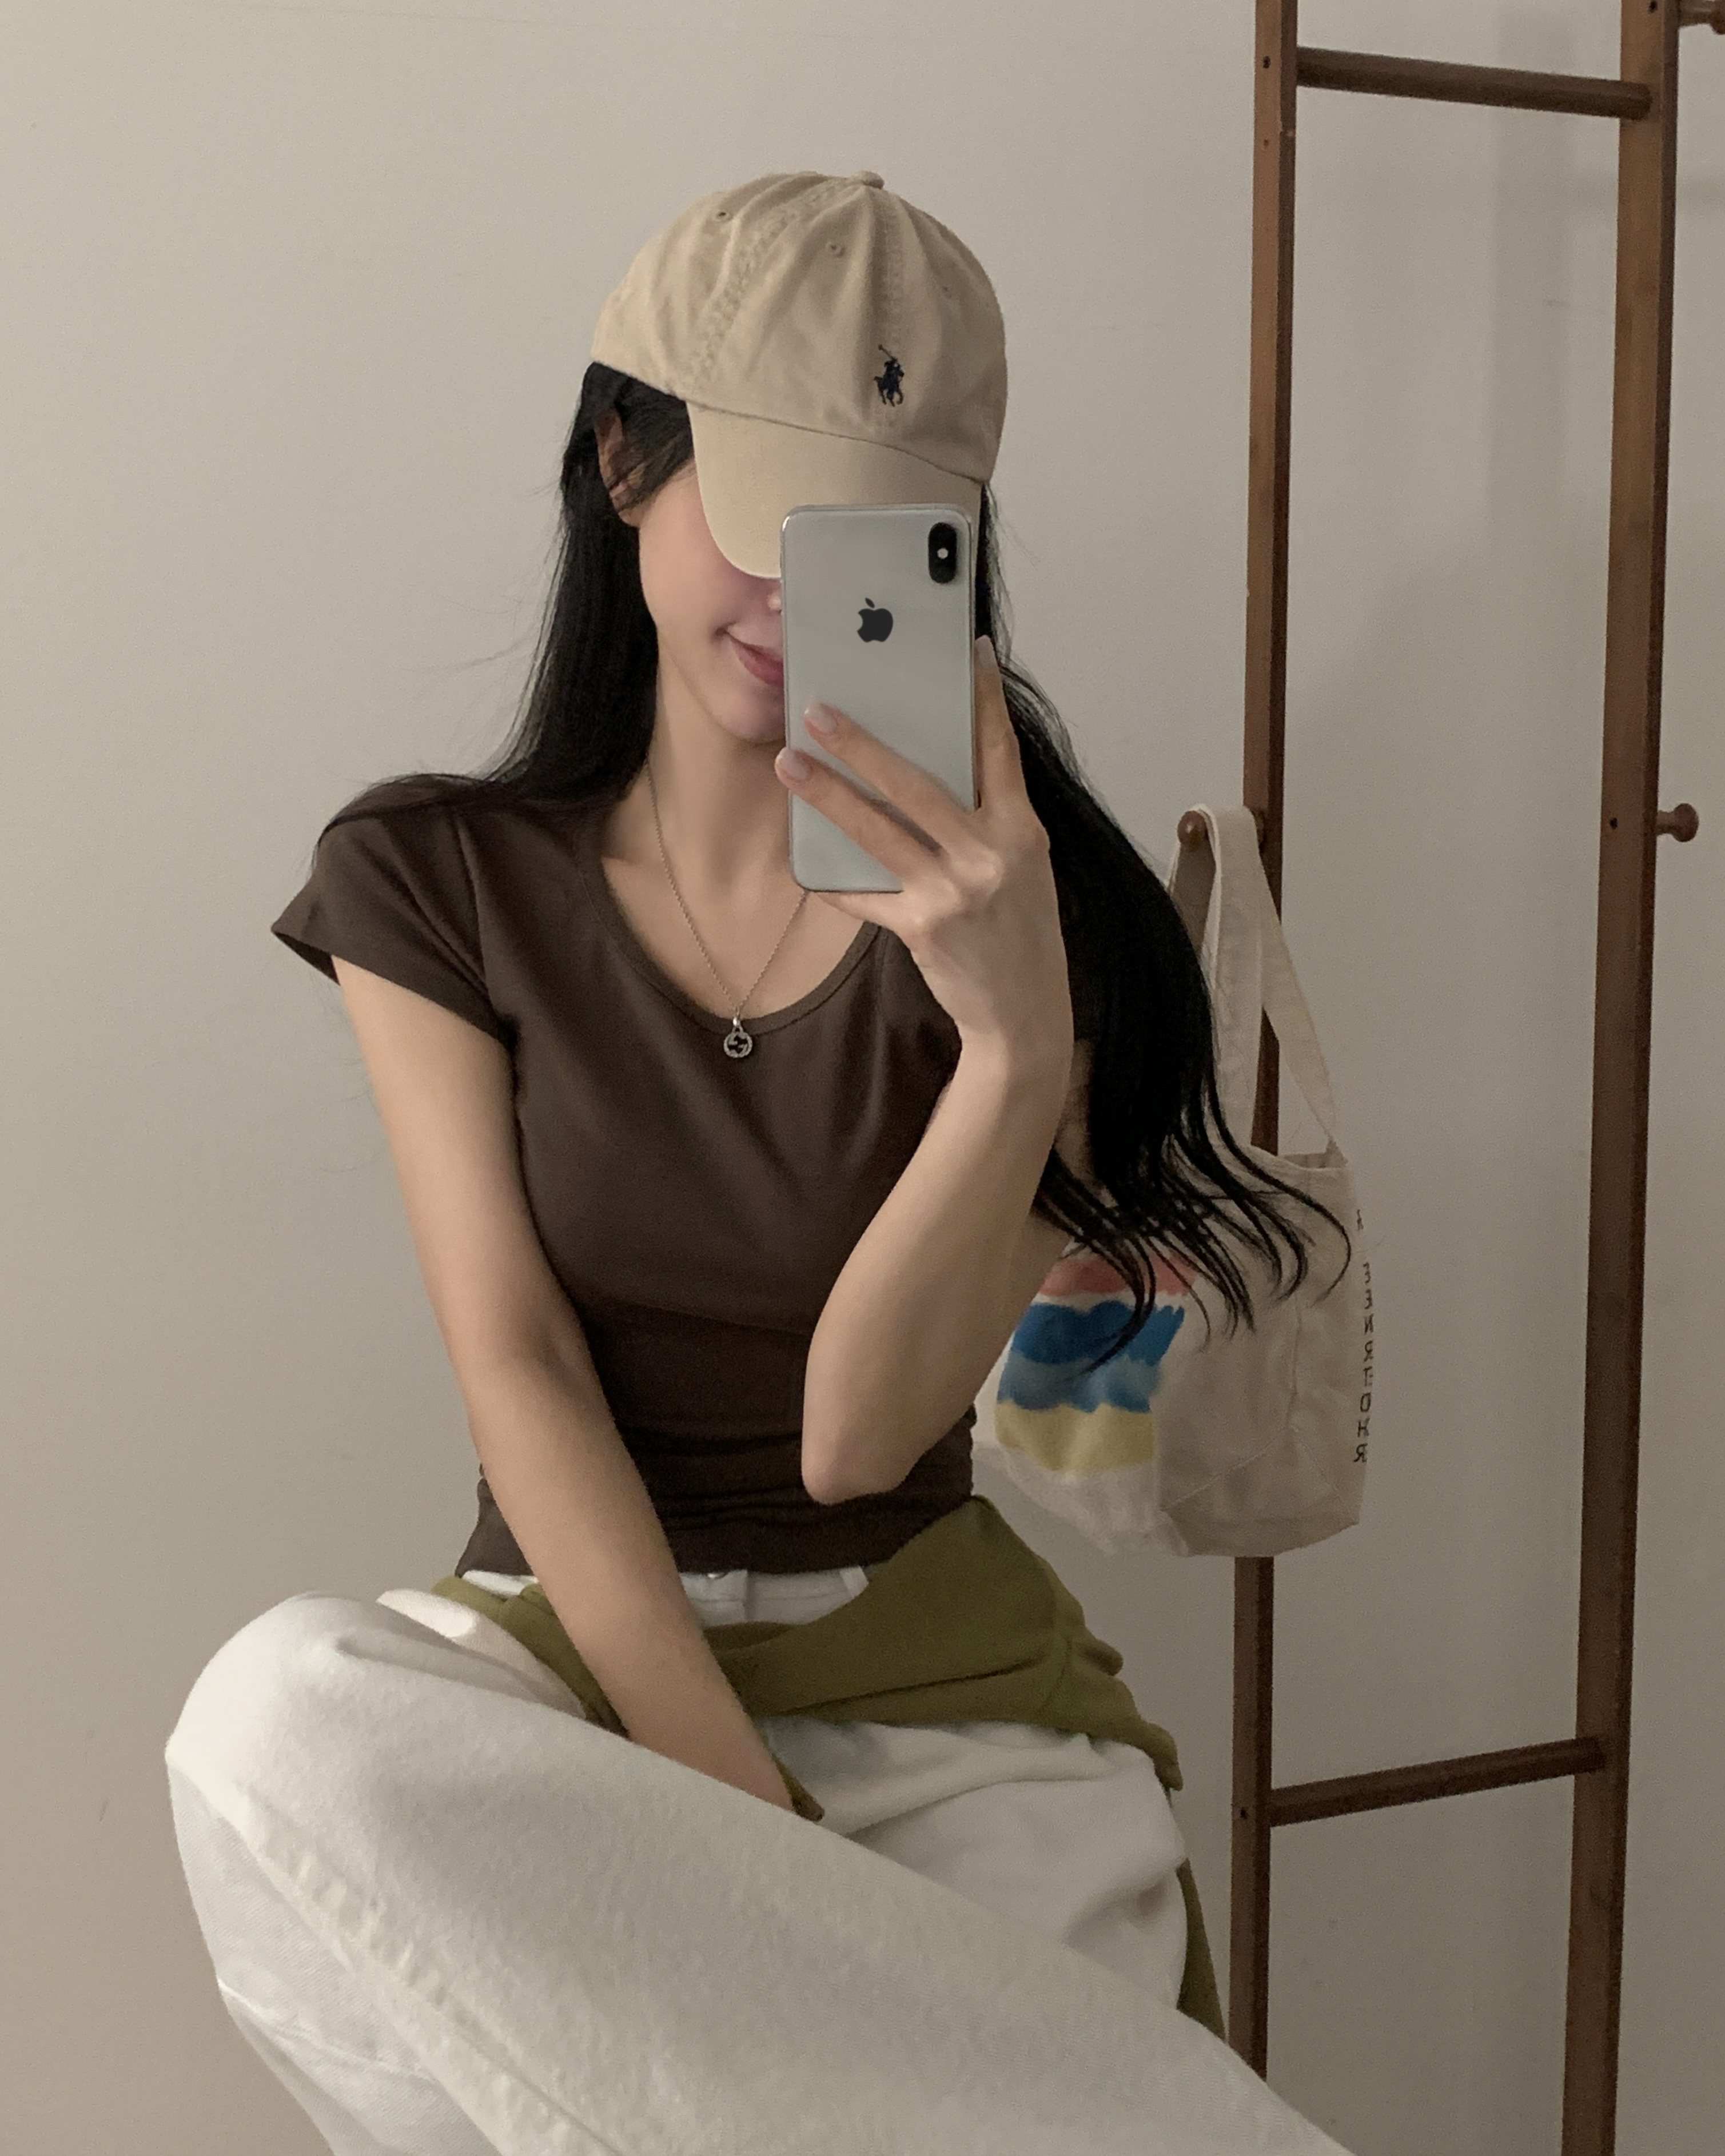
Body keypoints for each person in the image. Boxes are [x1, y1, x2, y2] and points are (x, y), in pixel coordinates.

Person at [163, 169, 1348, 2155]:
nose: (807, 598)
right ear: (622, 460)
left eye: (880, 541)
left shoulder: (1052, 927)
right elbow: (520, 1361)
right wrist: (732, 1817)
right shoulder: (435, 880)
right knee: (272, 1717)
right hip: (566, 1676)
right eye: (767, 511)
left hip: (940, 1700)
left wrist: (1011, 1044)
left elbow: (857, 1437)